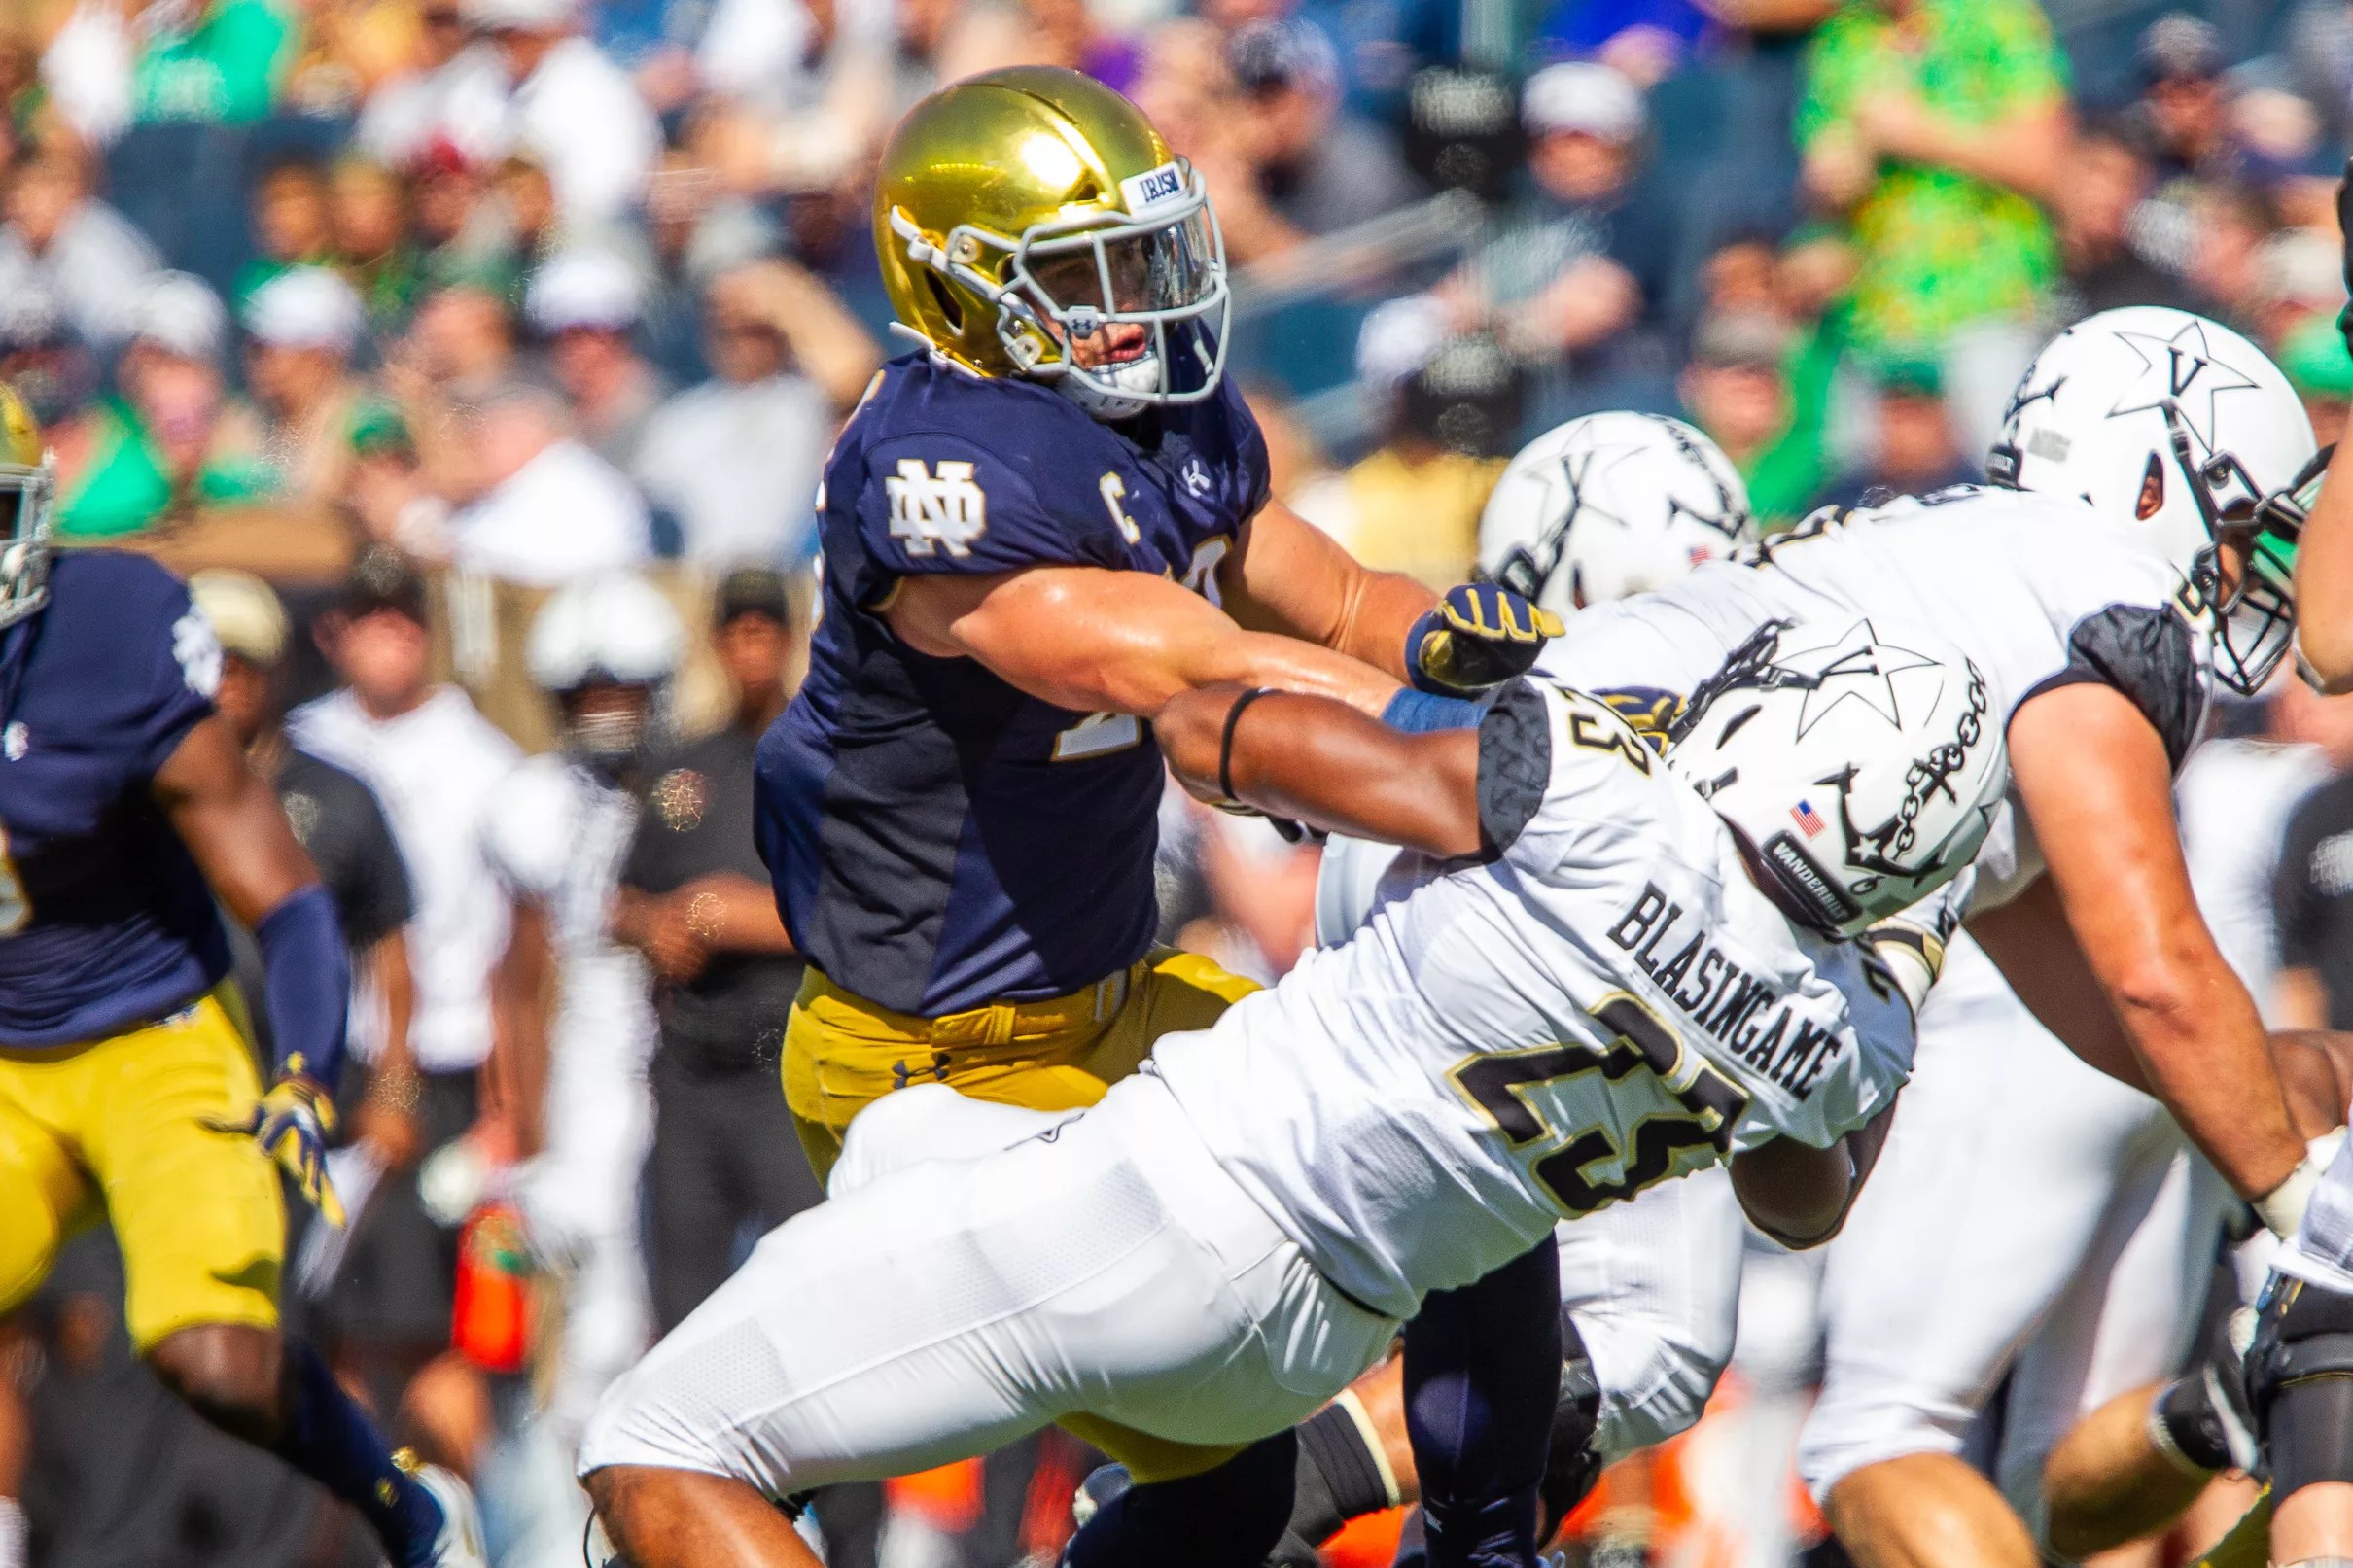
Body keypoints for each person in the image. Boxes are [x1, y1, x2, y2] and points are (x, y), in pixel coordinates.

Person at [581, 610, 2003, 1568]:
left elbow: (1220, 741)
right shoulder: (1851, 1033)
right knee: (894, 1146)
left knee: (655, 1441)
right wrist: (1881, 962)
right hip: (1309, 1339)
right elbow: (1800, 1196)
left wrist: (1449, 696)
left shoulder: (1607, 807)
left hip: (1165, 1211)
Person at [757, 65, 1554, 1515]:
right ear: (962, 293)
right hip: (928, 1060)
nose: (1143, 304)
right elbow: (1183, 661)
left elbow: (1334, 590)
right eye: (1091, 274)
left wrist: (1473, 649)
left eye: (1149, 259)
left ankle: (1486, 1545)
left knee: (1464, 1134)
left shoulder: (1166, 423)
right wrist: (1469, 745)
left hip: (1119, 1001)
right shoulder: (941, 465)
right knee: (1232, 1437)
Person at [0, 385, 485, 1568]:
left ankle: (402, 1505)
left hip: (148, 1031)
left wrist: (307, 1065)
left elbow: (286, 891)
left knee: (211, 1352)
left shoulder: (102, 634)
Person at [611, 569, 886, 1568]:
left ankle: (853, 1545)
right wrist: (659, 924)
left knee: (826, 1315)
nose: (751, 648)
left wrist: (741, 913)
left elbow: (865, 909)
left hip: (786, 1063)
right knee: (678, 1318)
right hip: (689, 1066)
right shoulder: (680, 767)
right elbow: (620, 896)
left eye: (768, 629)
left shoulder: (822, 758)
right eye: (736, 631)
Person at [286, 549, 524, 1408]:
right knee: (324, 1313)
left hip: (443, 1061)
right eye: (369, 616)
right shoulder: (302, 746)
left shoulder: (483, 757)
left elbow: (512, 948)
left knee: (435, 1326)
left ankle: (443, 1522)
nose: (389, 634)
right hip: (326, 1058)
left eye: (404, 617)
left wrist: (506, 1105)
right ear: (334, 633)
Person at [481, 575, 678, 1475]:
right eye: (590, 693)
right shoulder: (532, 801)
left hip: (689, 1063)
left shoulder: (690, 786)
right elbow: (520, 978)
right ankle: (588, 1505)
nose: (607, 713)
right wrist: (522, 1123)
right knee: (594, 1312)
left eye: (623, 691)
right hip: (591, 1067)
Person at [632, 259, 882, 569]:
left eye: (754, 330)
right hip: (702, 589)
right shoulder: (678, 420)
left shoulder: (807, 404)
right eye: (726, 330)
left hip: (789, 583)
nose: (740, 343)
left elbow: (860, 378)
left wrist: (786, 298)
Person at [528, 250, 671, 473]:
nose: (567, 350)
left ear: (617, 336)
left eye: (581, 335)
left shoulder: (660, 413)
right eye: (554, 338)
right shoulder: (551, 412)